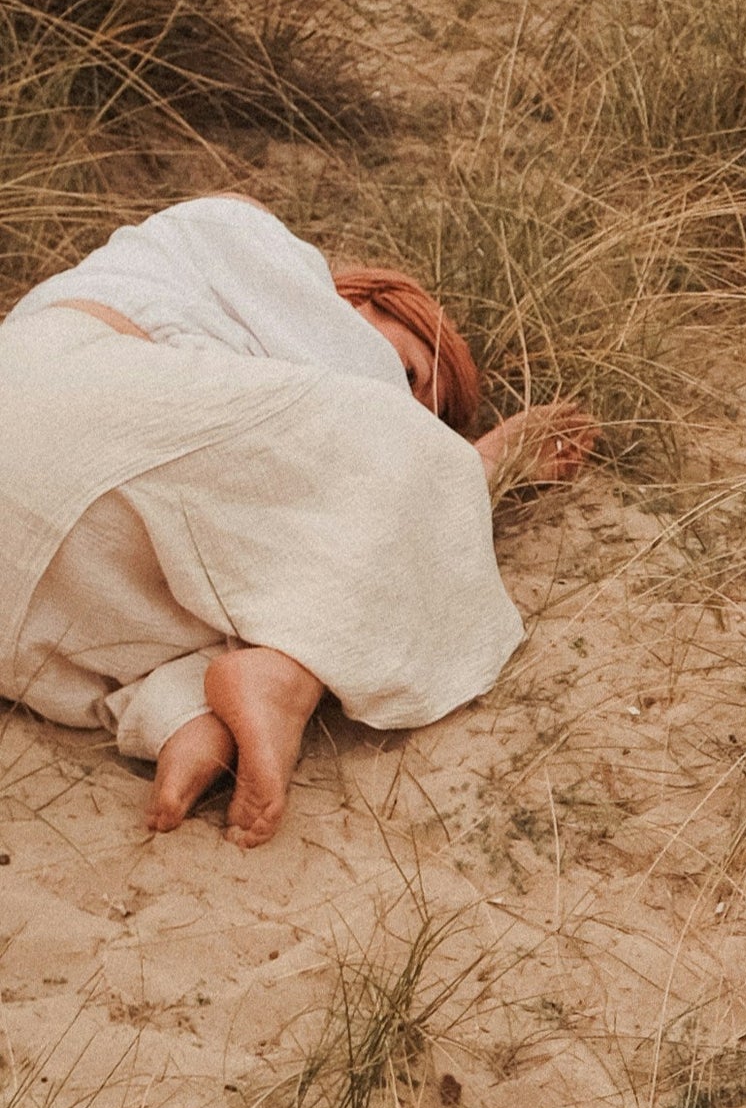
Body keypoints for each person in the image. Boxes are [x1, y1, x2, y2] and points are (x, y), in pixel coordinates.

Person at [0, 197, 592, 845]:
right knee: (383, 475)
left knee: (249, 595)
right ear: (363, 302)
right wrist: (473, 468)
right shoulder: (237, 230)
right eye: (410, 373)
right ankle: (286, 678)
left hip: (29, 609)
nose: (411, 406)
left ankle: (191, 718)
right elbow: (367, 417)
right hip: (59, 399)